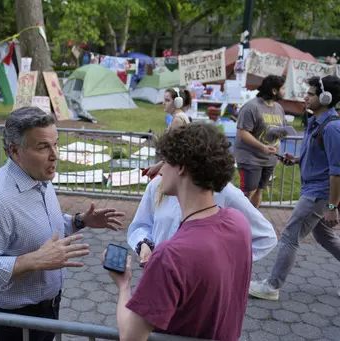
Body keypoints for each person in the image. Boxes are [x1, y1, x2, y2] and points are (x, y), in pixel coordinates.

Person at [0, 107, 126, 341]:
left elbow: (44, 228)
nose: (55, 155)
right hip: (10, 324)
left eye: (56, 144)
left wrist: (80, 221)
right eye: (43, 147)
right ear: (15, 151)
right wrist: (32, 261)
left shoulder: (39, 177)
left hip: (47, 311)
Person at [104, 123, 252, 341]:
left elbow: (130, 336)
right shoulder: (238, 223)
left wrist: (124, 284)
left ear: (181, 167)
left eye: (166, 162)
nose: (160, 170)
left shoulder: (170, 256)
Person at [249, 75, 340, 300]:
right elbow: (323, 158)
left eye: (310, 93)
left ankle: (271, 286)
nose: (306, 97)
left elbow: (337, 171)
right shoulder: (316, 122)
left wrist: (332, 205)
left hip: (319, 193)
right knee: (324, 236)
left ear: (326, 98)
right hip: (314, 189)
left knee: (290, 235)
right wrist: (298, 159)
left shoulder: (332, 128)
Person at [128, 175, 277, 265]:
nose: (159, 167)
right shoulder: (157, 185)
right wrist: (144, 244)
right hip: (160, 279)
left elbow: (266, 236)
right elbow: (141, 225)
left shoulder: (224, 192)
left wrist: (224, 263)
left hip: (199, 289)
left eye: (167, 162)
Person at [234, 75, 288, 208]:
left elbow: (281, 128)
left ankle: (254, 222)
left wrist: (283, 133)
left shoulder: (279, 108)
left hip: (269, 159)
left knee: (259, 190)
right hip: (250, 159)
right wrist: (263, 147)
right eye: (283, 88)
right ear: (274, 91)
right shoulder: (251, 107)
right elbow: (243, 133)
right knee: (247, 193)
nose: (285, 91)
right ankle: (239, 223)